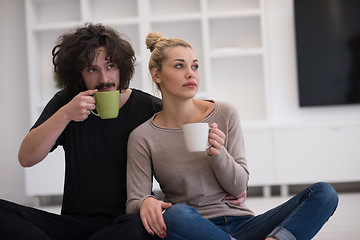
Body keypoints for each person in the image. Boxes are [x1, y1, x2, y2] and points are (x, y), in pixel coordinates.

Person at [126, 32, 339, 240]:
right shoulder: (143, 136)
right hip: (192, 227)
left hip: (244, 225)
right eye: (179, 66)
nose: (191, 74)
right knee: (175, 215)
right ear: (156, 75)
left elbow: (239, 186)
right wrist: (147, 202)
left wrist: (219, 154)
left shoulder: (225, 113)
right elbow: (135, 201)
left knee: (324, 193)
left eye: (195, 66)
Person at [0, 23, 164, 240]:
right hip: (72, 224)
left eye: (110, 66)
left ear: (121, 67)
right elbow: (26, 157)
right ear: (79, 76)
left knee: (139, 226)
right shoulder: (67, 103)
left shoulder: (148, 108)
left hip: (123, 223)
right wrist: (66, 114)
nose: (104, 78)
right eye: (92, 69)